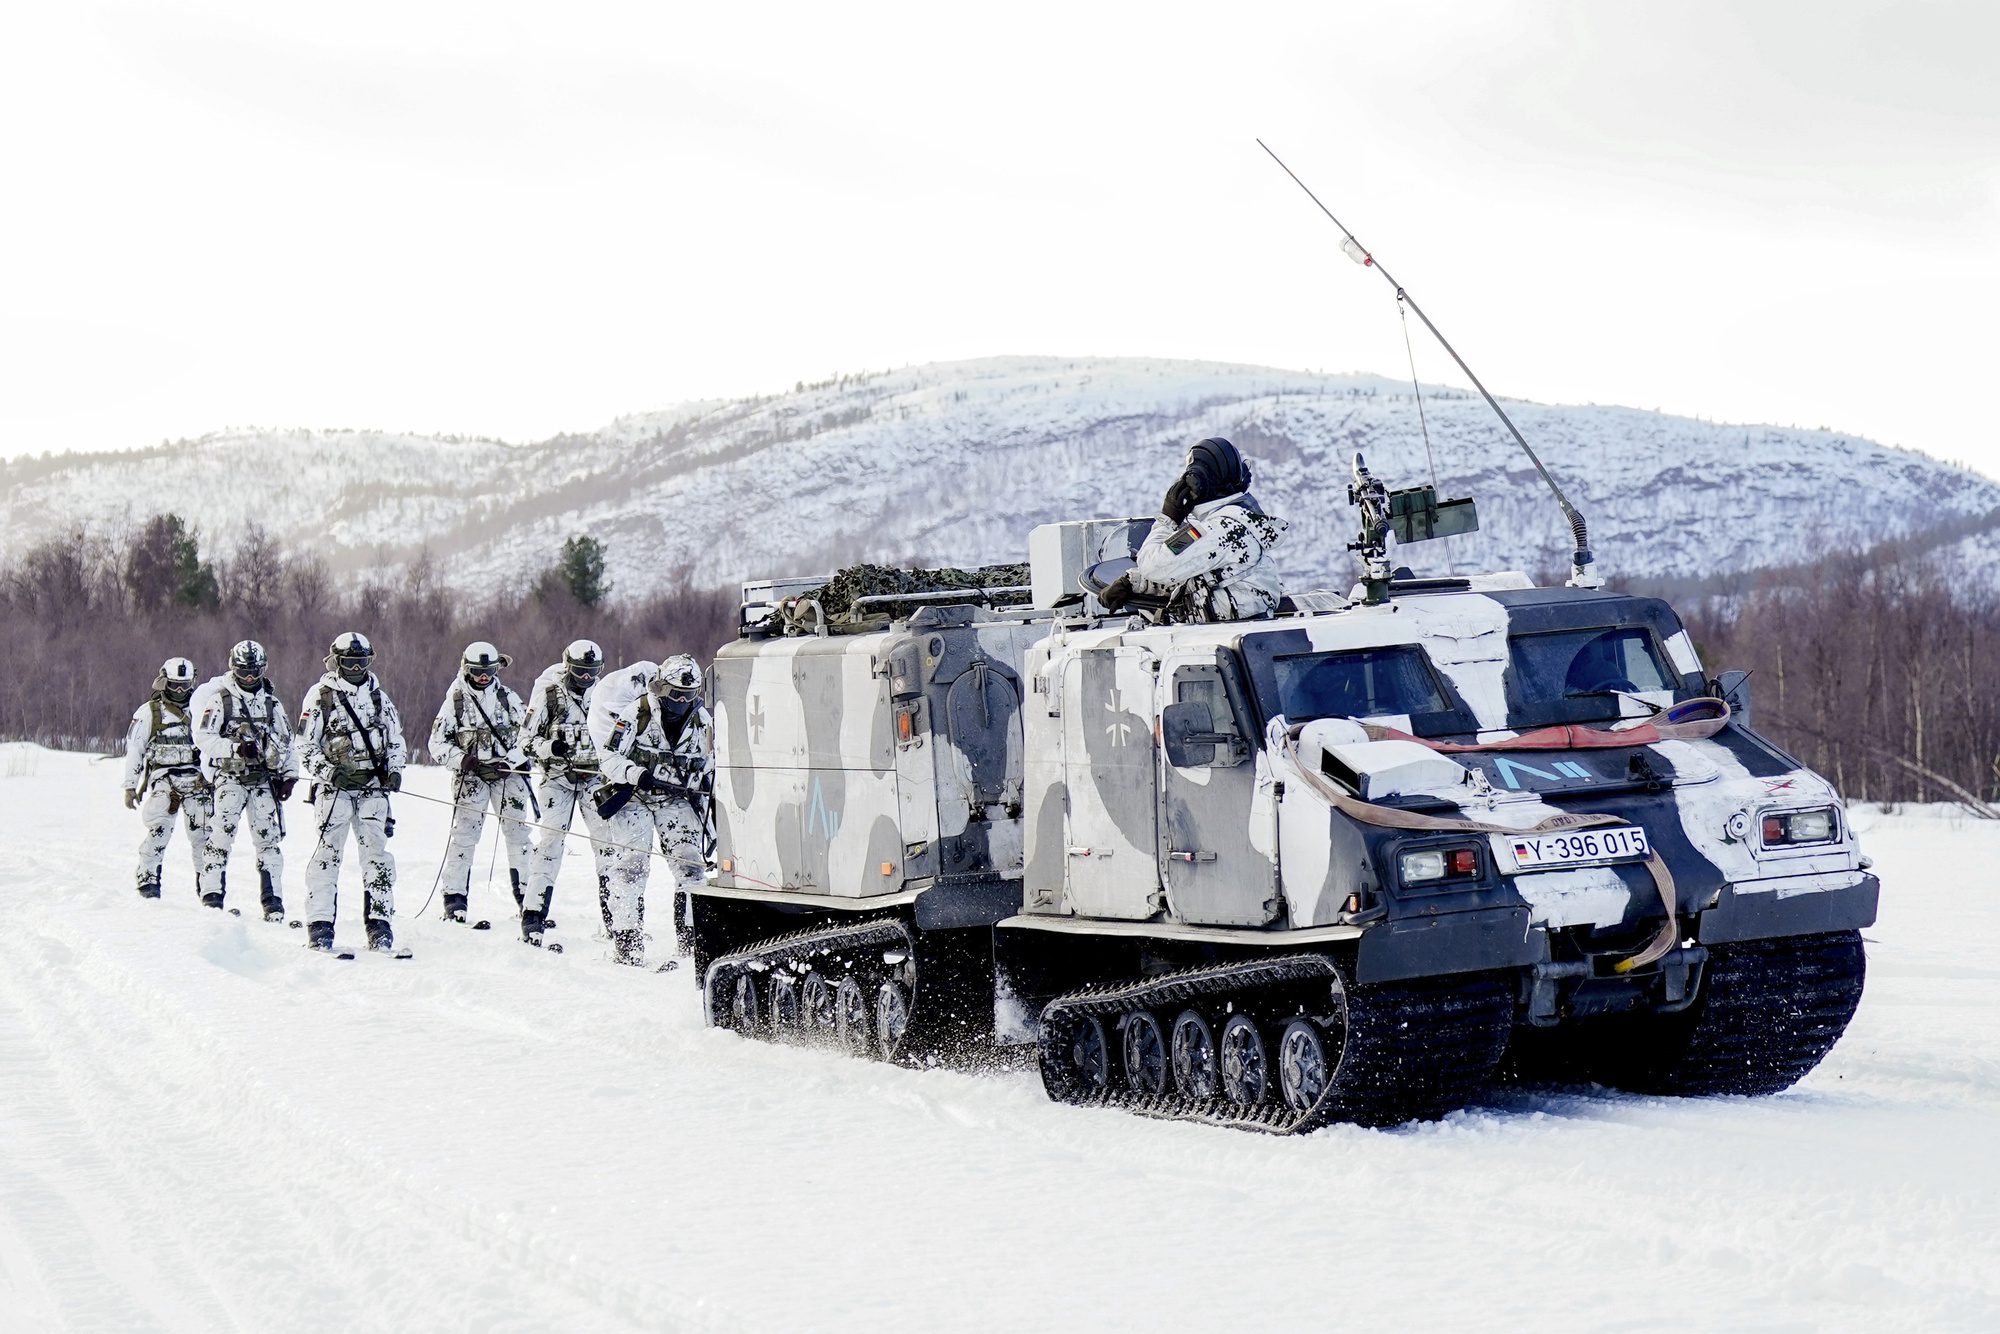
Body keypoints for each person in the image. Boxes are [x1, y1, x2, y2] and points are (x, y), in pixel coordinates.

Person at [586, 654, 713, 967]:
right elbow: (609, 757)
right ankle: (627, 943)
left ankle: (690, 943)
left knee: (691, 866)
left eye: (689, 695)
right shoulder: (636, 713)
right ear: (661, 688)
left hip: (677, 799)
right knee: (631, 866)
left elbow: (710, 764)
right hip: (635, 797)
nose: (682, 701)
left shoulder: (703, 722)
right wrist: (635, 774)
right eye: (676, 694)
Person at [296, 632, 406, 953]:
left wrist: (395, 769)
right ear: (337, 662)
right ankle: (320, 926)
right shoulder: (321, 697)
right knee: (328, 855)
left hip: (372, 789)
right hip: (335, 792)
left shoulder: (378, 697)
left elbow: (396, 738)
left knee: (376, 856)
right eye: (350, 662)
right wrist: (327, 771)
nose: (357, 668)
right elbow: (304, 744)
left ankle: (380, 924)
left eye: (362, 662)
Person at [1099, 437, 1287, 622]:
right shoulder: (1231, 526)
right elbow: (1192, 569)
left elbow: (1152, 566)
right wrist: (1133, 582)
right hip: (1231, 633)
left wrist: (1168, 519)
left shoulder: (1216, 530)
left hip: (1222, 637)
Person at [518, 639, 616, 947]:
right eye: (581, 672)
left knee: (608, 847)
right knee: (550, 844)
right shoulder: (549, 694)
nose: (586, 678)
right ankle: (533, 917)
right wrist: (551, 747)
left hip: (594, 780)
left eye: (592, 672)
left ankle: (615, 920)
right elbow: (525, 740)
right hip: (557, 778)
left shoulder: (606, 696)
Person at [428, 641, 534, 926]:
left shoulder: (509, 698)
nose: (484, 677)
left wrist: (510, 762)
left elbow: (529, 737)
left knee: (518, 836)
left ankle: (529, 900)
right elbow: (436, 743)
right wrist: (463, 760)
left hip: (507, 778)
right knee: (464, 837)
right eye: (478, 671)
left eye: (489, 671)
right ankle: (454, 900)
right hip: (470, 779)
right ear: (467, 669)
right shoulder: (455, 702)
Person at [192, 639, 298, 921]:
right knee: (220, 836)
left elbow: (287, 740)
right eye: (244, 671)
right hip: (230, 778)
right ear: (233, 668)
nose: (249, 677)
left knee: (268, 841)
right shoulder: (220, 700)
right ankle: (212, 897)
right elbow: (203, 738)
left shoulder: (272, 703)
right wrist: (235, 748)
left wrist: (289, 776)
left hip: (262, 780)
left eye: (254, 671)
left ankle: (272, 900)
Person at [123, 657, 213, 901]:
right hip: (165, 779)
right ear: (165, 683)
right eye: (175, 686)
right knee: (159, 831)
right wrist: (130, 786)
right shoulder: (149, 713)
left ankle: (209, 890)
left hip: (198, 781)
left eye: (185, 685)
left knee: (203, 837)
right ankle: (148, 881)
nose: (181, 691)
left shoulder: (204, 708)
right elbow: (135, 749)